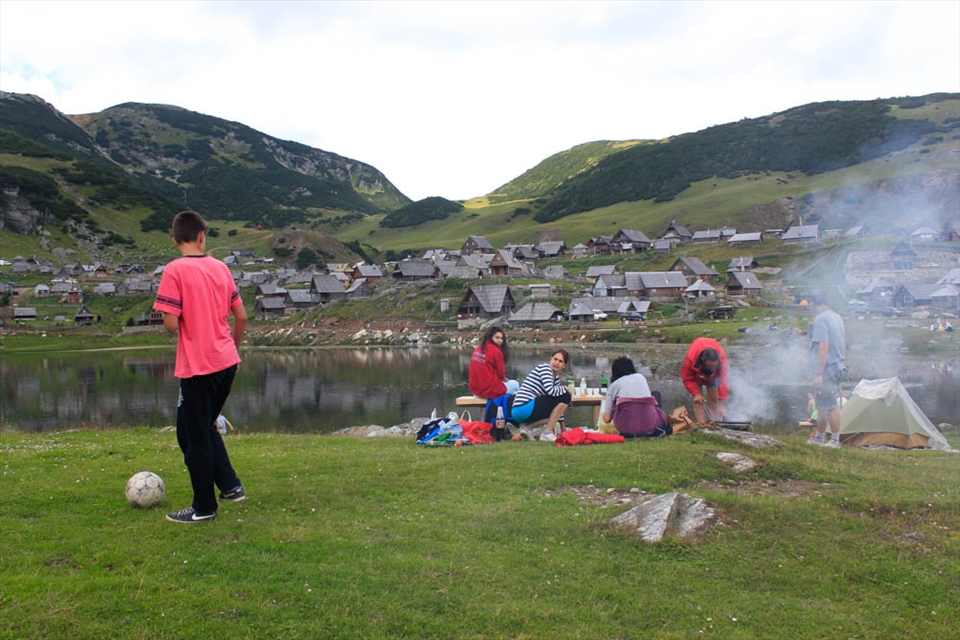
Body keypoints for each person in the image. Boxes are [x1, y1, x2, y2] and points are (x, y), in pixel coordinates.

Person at [153, 210, 248, 523]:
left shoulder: (174, 270)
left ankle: (203, 507)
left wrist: (186, 321)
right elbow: (242, 317)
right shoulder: (220, 268)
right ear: (203, 235)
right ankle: (231, 485)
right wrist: (231, 347)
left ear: (175, 240)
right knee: (198, 427)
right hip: (226, 362)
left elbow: (169, 323)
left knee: (194, 438)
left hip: (198, 366)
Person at [598, 356, 680, 437]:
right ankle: (656, 422)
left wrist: (614, 405)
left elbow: (606, 419)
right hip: (651, 425)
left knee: (618, 403)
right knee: (655, 394)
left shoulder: (613, 386)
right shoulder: (641, 377)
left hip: (626, 428)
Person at [807, 290, 846, 448]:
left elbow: (823, 346)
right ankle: (819, 437)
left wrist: (818, 373)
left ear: (812, 303)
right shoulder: (836, 317)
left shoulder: (821, 319)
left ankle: (835, 441)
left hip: (828, 368)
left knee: (831, 405)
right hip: (838, 365)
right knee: (822, 403)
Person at [511, 349, 572, 442]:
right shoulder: (545, 369)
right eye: (555, 359)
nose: (556, 363)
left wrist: (563, 427)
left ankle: (527, 429)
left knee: (558, 407)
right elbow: (550, 391)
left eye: (560, 361)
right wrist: (565, 389)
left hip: (521, 410)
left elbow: (559, 407)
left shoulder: (556, 378)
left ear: (564, 365)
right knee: (566, 396)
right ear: (550, 359)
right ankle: (547, 433)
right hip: (524, 407)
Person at [681, 337, 730, 423]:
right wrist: (696, 393)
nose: (712, 369)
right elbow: (687, 378)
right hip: (696, 374)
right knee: (698, 401)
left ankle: (717, 424)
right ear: (703, 360)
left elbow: (724, 379)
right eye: (710, 367)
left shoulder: (721, 359)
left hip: (713, 377)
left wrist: (722, 401)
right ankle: (702, 426)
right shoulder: (691, 358)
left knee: (715, 401)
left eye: (714, 367)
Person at [468, 326, 519, 399]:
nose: (500, 341)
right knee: (515, 385)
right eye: (497, 338)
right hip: (489, 391)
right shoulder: (496, 351)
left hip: (476, 392)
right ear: (490, 337)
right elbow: (501, 375)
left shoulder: (479, 349)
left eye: (501, 338)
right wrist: (504, 379)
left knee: (512, 390)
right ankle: (509, 409)